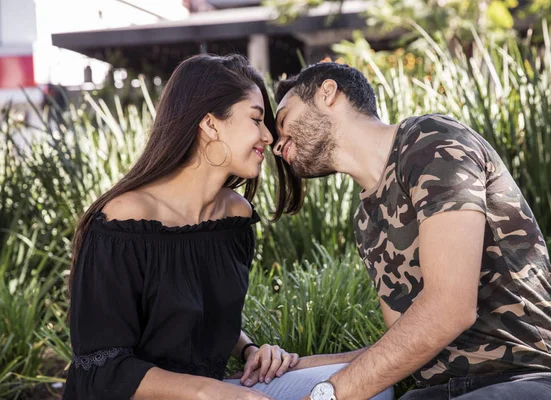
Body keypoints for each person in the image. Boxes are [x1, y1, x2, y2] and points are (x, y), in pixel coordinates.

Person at [64, 54, 394, 400]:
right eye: (256, 119)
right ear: (210, 124)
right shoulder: (123, 221)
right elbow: (100, 367)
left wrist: (251, 351)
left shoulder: (234, 217)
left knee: (369, 386)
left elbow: (197, 317)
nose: (269, 137)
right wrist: (213, 393)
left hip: (223, 393)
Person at [271, 61, 551, 400]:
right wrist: (294, 365)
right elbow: (402, 341)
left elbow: (450, 309)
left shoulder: (430, 141)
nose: (277, 145)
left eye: (283, 120)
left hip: (534, 378)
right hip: (439, 391)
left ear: (328, 93)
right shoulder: (365, 219)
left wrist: (326, 395)